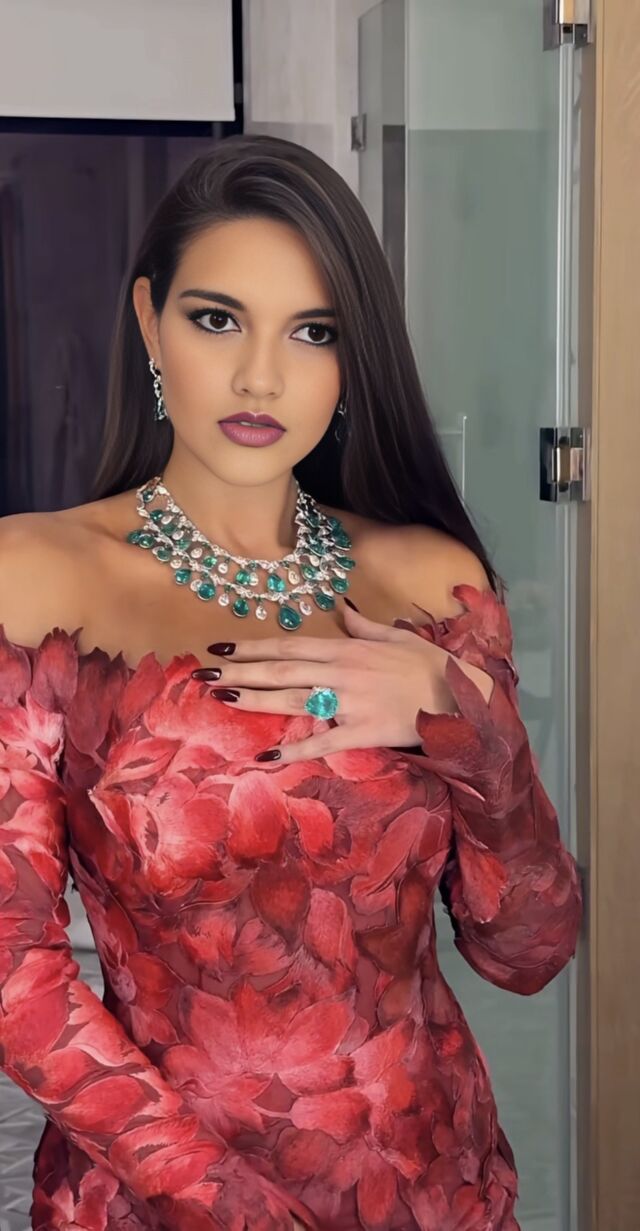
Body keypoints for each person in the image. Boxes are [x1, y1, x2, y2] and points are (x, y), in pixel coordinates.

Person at [0, 134, 582, 1231]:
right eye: (218, 318)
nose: (261, 376)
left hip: (437, 1191)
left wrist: (470, 728)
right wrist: (235, 1212)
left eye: (313, 332)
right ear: (149, 322)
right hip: (162, 1204)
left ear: (353, 358)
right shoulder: (35, 579)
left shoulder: (429, 581)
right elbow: (15, 976)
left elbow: (528, 953)